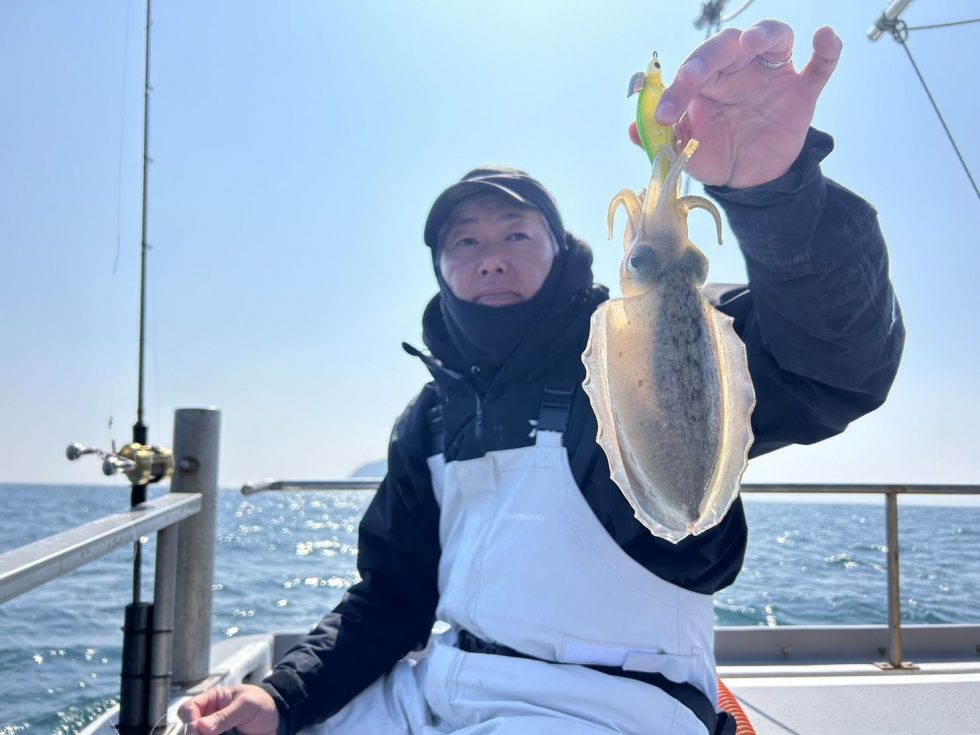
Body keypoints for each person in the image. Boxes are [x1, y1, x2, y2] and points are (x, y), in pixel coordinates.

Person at [180, 20, 904, 735]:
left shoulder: (637, 343)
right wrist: (282, 696)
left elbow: (835, 364)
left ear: (562, 249)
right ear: (440, 269)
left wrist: (776, 193)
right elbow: (393, 596)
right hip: (438, 685)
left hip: (611, 700)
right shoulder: (431, 416)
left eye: (515, 234)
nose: (490, 256)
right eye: (465, 241)